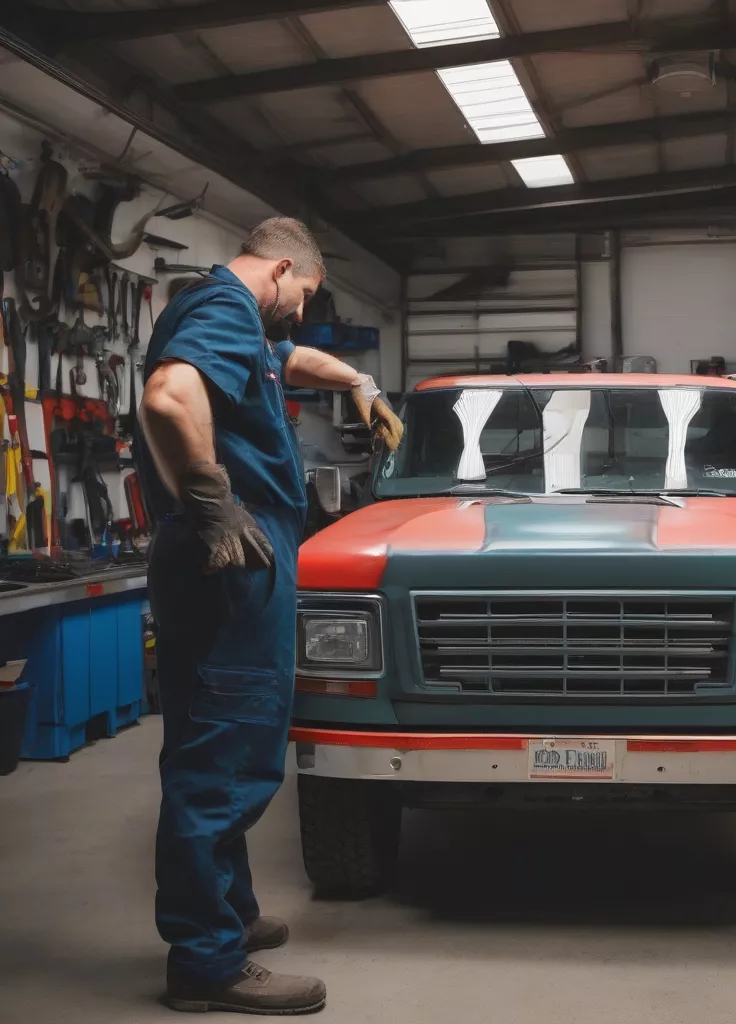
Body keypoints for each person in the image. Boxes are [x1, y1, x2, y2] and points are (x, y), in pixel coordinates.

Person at [135, 217, 401, 1015]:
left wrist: (360, 383)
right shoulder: (223, 310)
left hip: (222, 549)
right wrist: (215, 505)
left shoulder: (227, 314)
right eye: (306, 296)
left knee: (214, 736)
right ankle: (205, 963)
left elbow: (290, 359)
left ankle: (231, 918)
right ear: (283, 268)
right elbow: (169, 396)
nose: (301, 314)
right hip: (232, 553)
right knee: (226, 751)